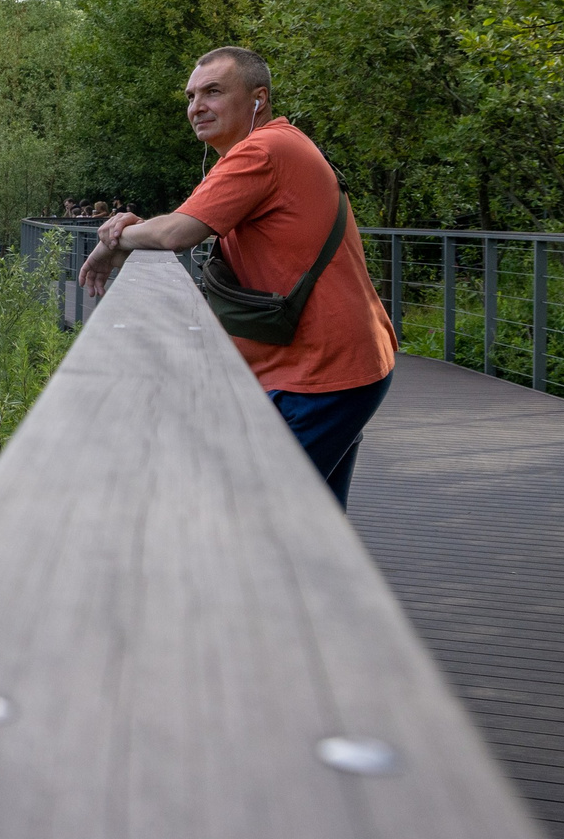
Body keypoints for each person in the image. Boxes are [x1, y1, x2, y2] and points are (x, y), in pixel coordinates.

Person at [78, 45, 396, 507]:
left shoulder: (262, 151)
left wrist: (114, 240)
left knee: (256, 514)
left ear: (257, 99)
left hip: (323, 373)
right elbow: (182, 220)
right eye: (190, 97)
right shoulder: (269, 147)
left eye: (213, 92)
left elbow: (179, 232)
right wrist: (135, 228)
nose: (196, 107)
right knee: (311, 519)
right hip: (327, 364)